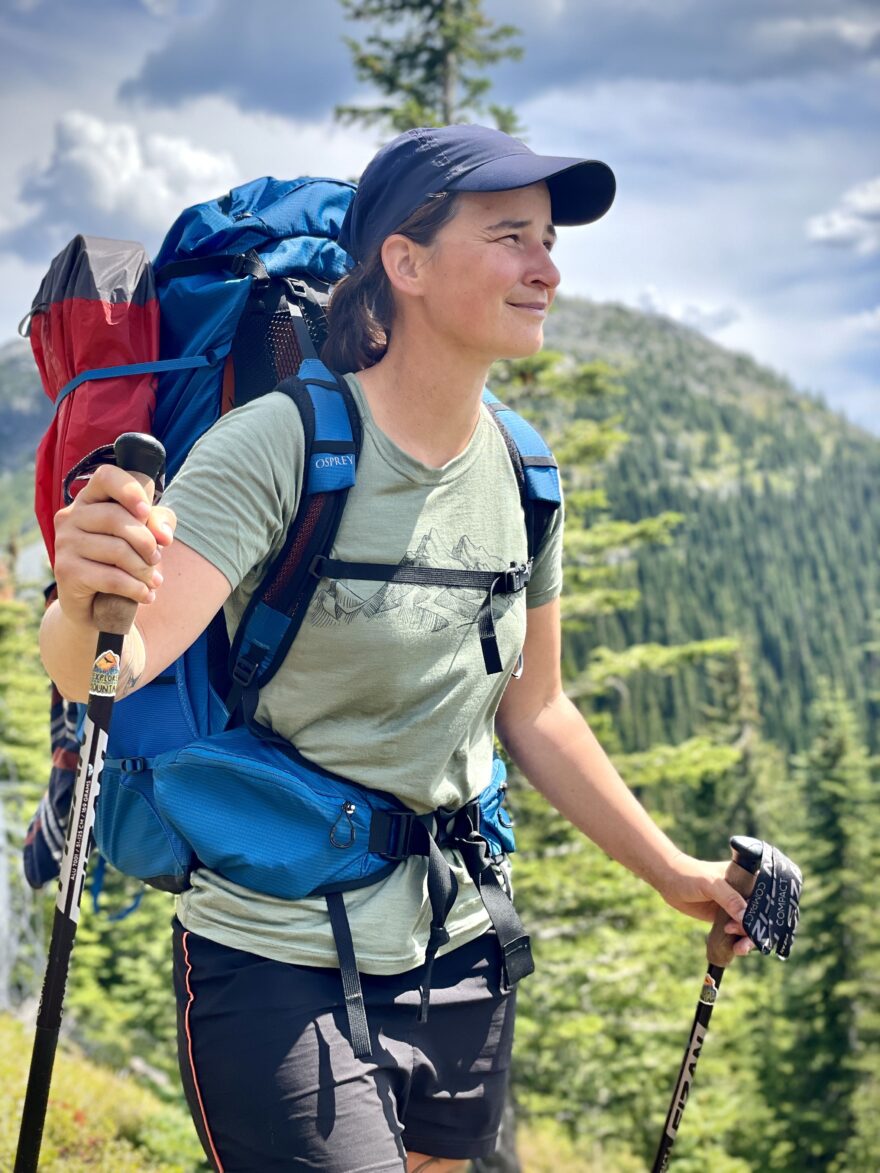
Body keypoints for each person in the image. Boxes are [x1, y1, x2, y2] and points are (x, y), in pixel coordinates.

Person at [42, 124, 754, 1173]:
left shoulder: (523, 471)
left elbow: (536, 711)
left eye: (550, 240)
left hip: (459, 946)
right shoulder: (280, 445)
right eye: (510, 237)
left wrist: (673, 873)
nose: (547, 269)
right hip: (275, 954)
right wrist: (81, 600)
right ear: (405, 263)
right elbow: (112, 660)